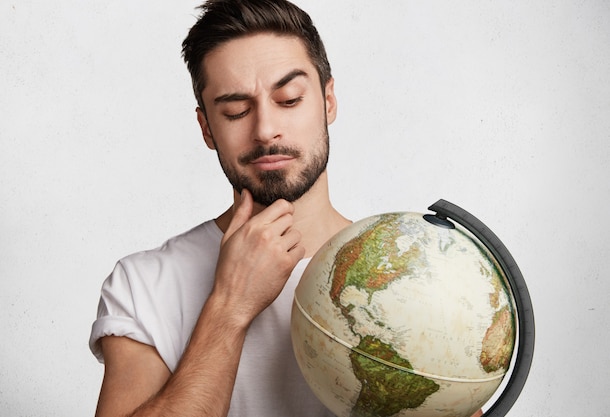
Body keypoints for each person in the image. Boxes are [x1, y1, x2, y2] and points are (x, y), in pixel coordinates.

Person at [89, 1, 483, 416]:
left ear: (328, 101)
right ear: (207, 128)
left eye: (290, 99)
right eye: (235, 110)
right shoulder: (144, 285)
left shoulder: (420, 275)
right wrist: (230, 305)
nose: (264, 129)